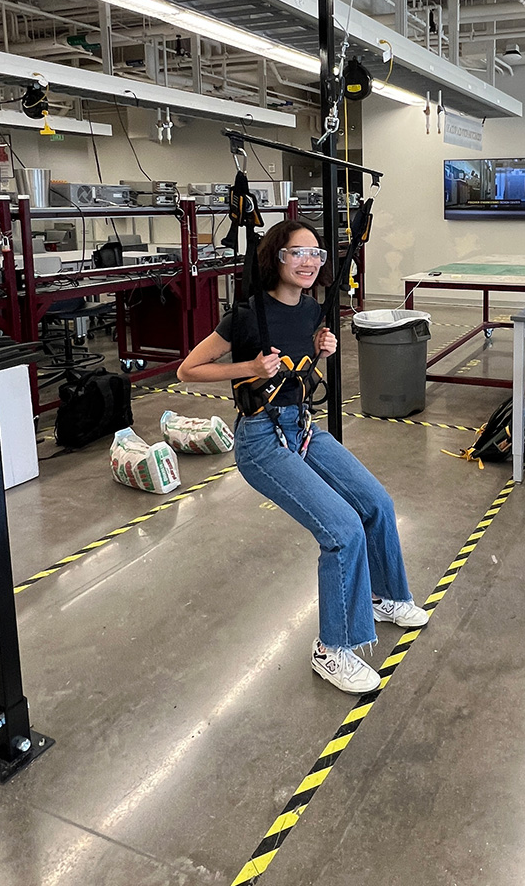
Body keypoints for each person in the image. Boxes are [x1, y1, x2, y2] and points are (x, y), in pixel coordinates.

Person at [177, 219, 428, 694]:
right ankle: (333, 649)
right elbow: (190, 369)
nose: (310, 261)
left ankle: (385, 595)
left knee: (376, 504)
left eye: (316, 253)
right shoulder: (249, 315)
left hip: (303, 428)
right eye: (299, 252)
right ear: (275, 258)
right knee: (342, 530)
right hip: (262, 440)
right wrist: (248, 367)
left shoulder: (312, 309)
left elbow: (300, 368)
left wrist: (321, 349)